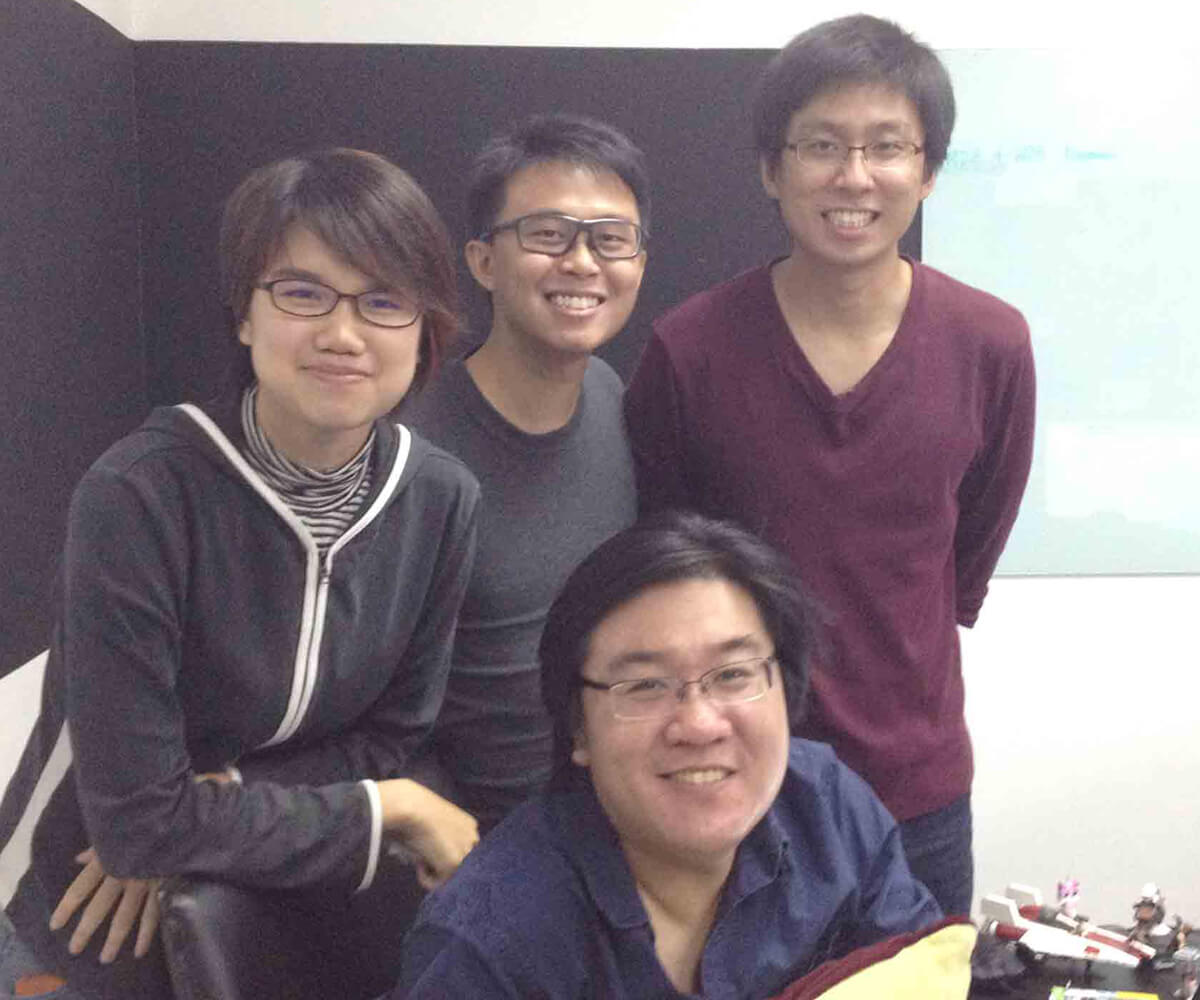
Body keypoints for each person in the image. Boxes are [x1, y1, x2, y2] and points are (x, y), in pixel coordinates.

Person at [0, 148, 481, 999]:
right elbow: (138, 822)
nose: (342, 332)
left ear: (425, 329)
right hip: (81, 904)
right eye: (301, 292)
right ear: (245, 316)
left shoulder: (441, 498)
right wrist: (392, 809)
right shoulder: (139, 494)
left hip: (267, 895)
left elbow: (391, 736)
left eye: (383, 301)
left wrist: (207, 814)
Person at [623, 15, 1036, 916]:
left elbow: (969, 547)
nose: (855, 176)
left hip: (918, 793)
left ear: (927, 171)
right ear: (773, 169)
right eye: (822, 145)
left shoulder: (990, 344)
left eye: (887, 146)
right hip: (733, 786)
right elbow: (659, 563)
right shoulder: (688, 350)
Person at [399, 511, 943, 998]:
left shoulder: (830, 809)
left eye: (733, 675)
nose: (700, 724)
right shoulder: (486, 941)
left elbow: (921, 978)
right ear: (578, 732)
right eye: (644, 686)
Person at [402, 113, 645, 831]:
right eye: (547, 234)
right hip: (466, 844)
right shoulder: (409, 445)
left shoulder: (612, 395)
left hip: (610, 820)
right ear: (482, 261)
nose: (582, 262)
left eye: (611, 239)